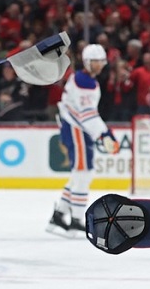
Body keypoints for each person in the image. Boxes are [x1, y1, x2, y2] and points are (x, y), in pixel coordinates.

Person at [46, 43, 119, 237]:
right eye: (98, 61)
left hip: (78, 129)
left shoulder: (84, 79)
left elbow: (89, 114)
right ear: (88, 62)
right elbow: (87, 115)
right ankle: (77, 220)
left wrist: (103, 132)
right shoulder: (84, 82)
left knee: (80, 174)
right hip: (76, 129)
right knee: (83, 172)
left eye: (103, 60)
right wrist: (104, 134)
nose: (102, 64)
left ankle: (60, 214)